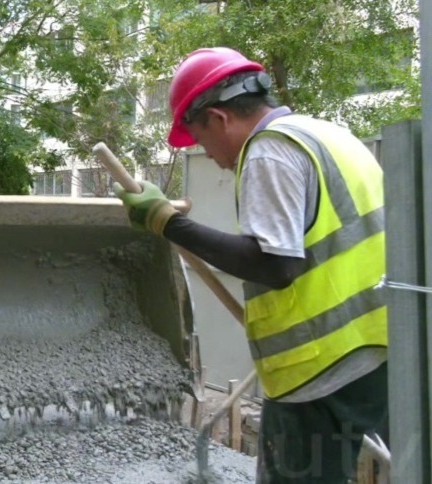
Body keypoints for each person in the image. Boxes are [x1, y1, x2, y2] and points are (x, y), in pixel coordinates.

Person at [113, 47, 388, 483]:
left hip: (318, 372)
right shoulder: (329, 137)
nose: (216, 158)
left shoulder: (269, 152)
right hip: (374, 353)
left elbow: (276, 265)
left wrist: (167, 223)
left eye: (203, 141)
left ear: (219, 118)